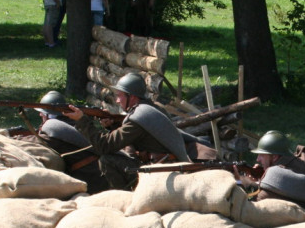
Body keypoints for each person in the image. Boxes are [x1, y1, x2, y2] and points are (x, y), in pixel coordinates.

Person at [64, 73, 211, 190]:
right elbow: (141, 138)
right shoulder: (152, 108)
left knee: (107, 160)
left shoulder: (138, 118)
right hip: (162, 164)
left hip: (157, 170)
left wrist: (82, 120)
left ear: (132, 97)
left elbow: (104, 146)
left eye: (120, 95)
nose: (117, 101)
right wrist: (112, 127)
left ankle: (125, 200)